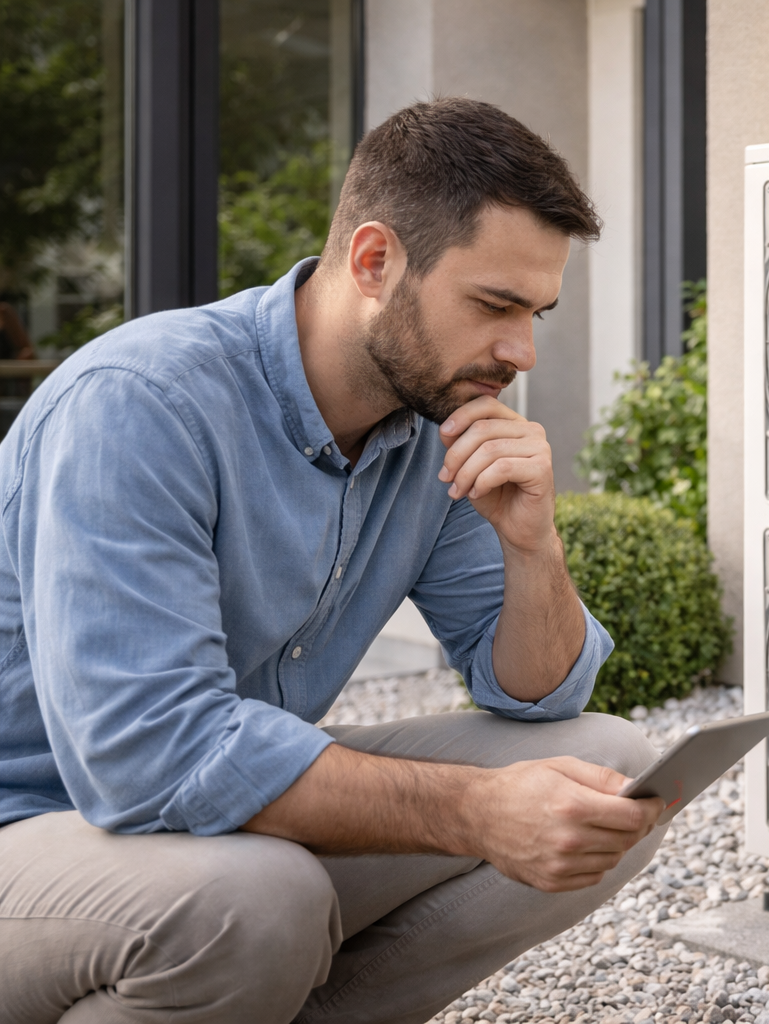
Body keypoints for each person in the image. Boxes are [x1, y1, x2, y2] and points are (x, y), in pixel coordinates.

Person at [0, 98, 666, 1024]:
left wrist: (533, 543)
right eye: (494, 306)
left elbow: (538, 698)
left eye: (537, 312)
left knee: (607, 776)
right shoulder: (141, 403)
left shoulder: (434, 425)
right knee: (258, 896)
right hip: (30, 826)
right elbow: (148, 760)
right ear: (374, 261)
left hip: (195, 831)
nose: (521, 352)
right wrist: (473, 811)